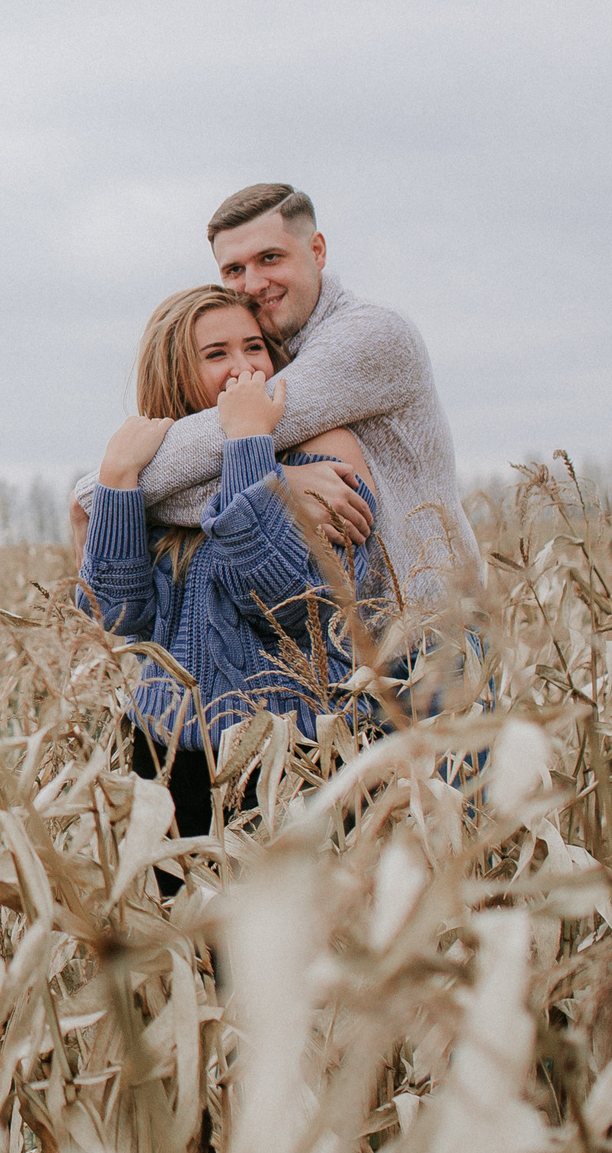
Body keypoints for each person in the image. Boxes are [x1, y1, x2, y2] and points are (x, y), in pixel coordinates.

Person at [75, 183, 479, 611]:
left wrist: (104, 490)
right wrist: (283, 488)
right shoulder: (279, 351)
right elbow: (115, 614)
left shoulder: (369, 336)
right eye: (233, 269)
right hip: (356, 654)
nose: (253, 283)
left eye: (270, 258)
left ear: (317, 251)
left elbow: (235, 427)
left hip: (432, 638)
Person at [77, 285, 383, 845]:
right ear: (174, 371)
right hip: (168, 762)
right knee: (189, 932)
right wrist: (118, 481)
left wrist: (249, 445)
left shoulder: (325, 448)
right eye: (216, 354)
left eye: (255, 347)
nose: (243, 369)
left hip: (294, 759)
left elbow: (294, 607)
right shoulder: (163, 473)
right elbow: (116, 618)